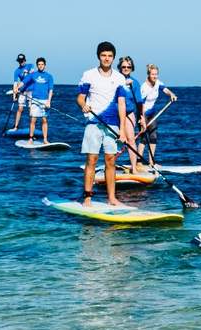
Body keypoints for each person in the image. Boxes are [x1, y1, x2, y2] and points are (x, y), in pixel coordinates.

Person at [76, 41, 130, 207]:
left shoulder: (120, 78)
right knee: (91, 160)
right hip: (93, 123)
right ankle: (87, 198)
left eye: (110, 56)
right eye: (103, 55)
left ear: (113, 58)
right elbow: (80, 97)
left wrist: (122, 130)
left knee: (110, 161)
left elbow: (122, 104)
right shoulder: (89, 75)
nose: (107, 59)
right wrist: (83, 105)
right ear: (99, 57)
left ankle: (112, 198)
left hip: (112, 125)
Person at [137, 63, 177, 166]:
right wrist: (142, 120)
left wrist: (171, 94)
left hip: (152, 113)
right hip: (143, 113)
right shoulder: (144, 87)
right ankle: (138, 162)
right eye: (152, 74)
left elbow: (165, 89)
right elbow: (140, 104)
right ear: (148, 74)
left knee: (153, 136)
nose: (155, 76)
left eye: (156, 74)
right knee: (144, 137)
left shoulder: (157, 82)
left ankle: (151, 162)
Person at [116, 56, 145, 172]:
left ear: (132, 68)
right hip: (115, 113)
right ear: (119, 68)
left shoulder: (135, 83)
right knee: (115, 139)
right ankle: (109, 165)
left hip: (129, 113)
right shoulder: (115, 79)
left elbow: (139, 103)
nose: (126, 68)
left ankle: (134, 167)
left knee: (131, 140)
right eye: (123, 67)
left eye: (129, 67)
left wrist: (142, 118)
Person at [20, 57, 54, 144]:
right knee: (33, 120)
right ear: (37, 65)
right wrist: (17, 88)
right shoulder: (33, 75)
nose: (40, 66)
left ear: (45, 65)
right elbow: (24, 82)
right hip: (35, 99)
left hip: (45, 100)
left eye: (42, 64)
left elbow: (50, 90)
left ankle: (45, 139)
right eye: (39, 64)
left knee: (44, 120)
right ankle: (31, 138)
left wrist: (49, 101)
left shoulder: (49, 76)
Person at [10, 53, 33, 130]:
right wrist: (14, 95)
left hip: (31, 90)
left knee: (31, 109)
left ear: (25, 60)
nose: (21, 62)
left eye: (22, 61)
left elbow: (32, 75)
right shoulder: (16, 71)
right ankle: (16, 126)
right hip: (23, 90)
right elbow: (15, 83)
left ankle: (31, 128)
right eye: (19, 61)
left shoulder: (30, 66)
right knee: (20, 109)